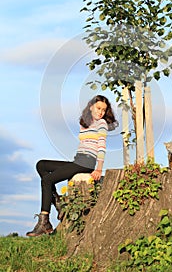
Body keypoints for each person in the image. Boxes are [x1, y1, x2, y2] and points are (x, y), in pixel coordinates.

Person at [26, 95, 118, 237]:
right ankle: (57, 201)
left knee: (47, 180)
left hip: (87, 162)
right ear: (91, 106)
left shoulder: (102, 124)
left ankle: (44, 222)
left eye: (104, 110)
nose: (101, 112)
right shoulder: (85, 123)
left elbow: (101, 147)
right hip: (78, 161)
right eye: (98, 108)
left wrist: (99, 168)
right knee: (42, 165)